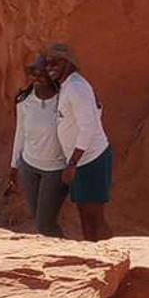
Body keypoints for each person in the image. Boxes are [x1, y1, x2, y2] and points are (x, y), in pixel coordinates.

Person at [43, 42, 112, 241]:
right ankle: (95, 257)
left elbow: (88, 127)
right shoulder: (69, 86)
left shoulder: (76, 87)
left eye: (55, 63)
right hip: (83, 160)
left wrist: (72, 163)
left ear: (67, 63)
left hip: (91, 159)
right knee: (85, 213)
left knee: (94, 216)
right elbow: (95, 112)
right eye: (47, 64)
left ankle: (112, 259)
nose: (50, 68)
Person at [8, 56, 69, 237]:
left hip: (55, 170)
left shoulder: (64, 100)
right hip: (29, 168)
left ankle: (69, 257)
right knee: (40, 220)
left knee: (45, 225)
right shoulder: (24, 101)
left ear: (52, 75)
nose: (37, 76)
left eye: (41, 72)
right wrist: (13, 166)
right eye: (33, 72)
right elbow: (20, 134)